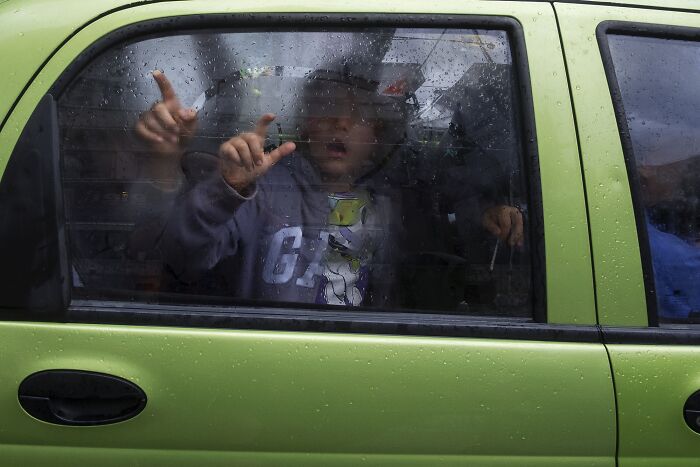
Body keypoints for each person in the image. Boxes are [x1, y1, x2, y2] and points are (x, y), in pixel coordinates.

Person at [137, 69, 406, 306]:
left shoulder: (386, 208)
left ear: (376, 135)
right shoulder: (261, 191)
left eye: (359, 115)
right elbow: (184, 260)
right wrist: (227, 189)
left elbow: (389, 292)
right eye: (327, 108)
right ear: (305, 126)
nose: (341, 123)